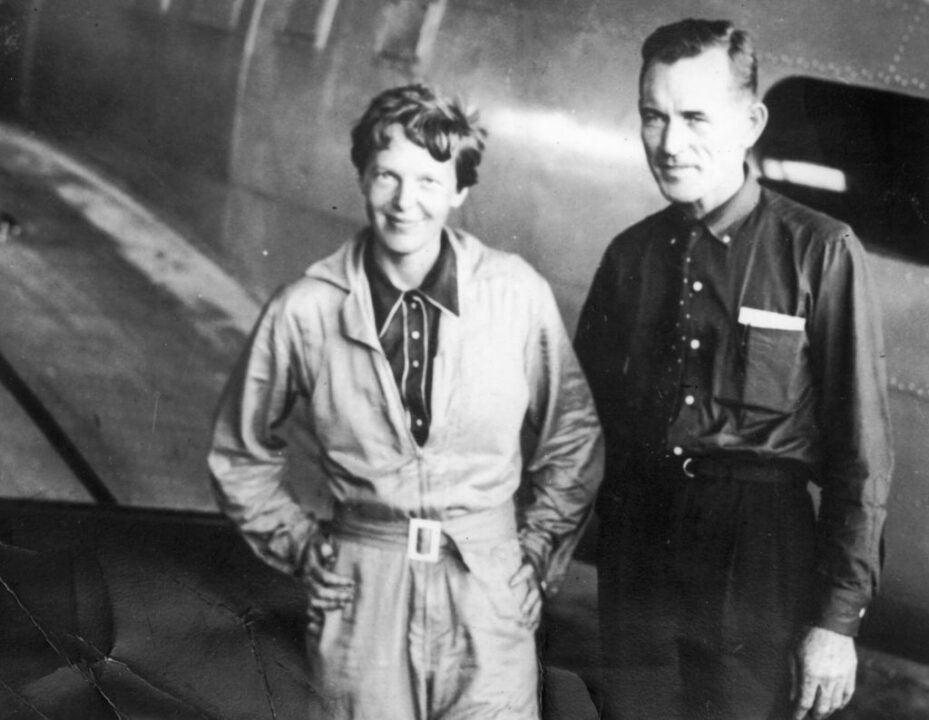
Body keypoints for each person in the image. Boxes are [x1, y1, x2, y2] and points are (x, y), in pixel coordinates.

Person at [208, 84, 603, 720]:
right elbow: (239, 453)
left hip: (487, 589)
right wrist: (304, 548)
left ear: (459, 190)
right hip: (363, 591)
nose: (404, 201)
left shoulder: (515, 295)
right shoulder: (308, 307)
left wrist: (533, 555)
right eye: (386, 175)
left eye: (427, 179)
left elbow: (574, 438)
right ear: (362, 178)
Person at [574, 18, 893, 720]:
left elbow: (861, 456)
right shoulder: (628, 257)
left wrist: (835, 622)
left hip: (756, 550)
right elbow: (577, 429)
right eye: (652, 116)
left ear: (751, 122)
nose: (668, 142)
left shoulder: (819, 253)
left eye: (693, 117)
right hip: (639, 543)